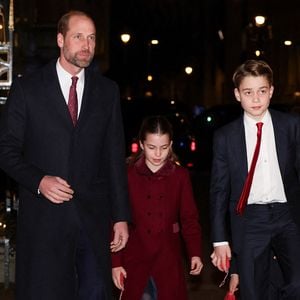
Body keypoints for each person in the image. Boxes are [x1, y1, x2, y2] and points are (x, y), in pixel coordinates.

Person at [0, 10, 130, 300]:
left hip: (93, 220)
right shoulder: (28, 88)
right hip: (45, 221)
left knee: (95, 292)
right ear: (60, 39)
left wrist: (120, 216)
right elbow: (6, 150)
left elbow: (113, 156)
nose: (87, 45)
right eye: (79, 37)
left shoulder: (107, 91)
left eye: (92, 38)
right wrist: (39, 181)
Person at [210, 59, 300, 299]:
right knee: (252, 291)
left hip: (287, 216)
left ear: (271, 91)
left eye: (262, 91)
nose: (256, 99)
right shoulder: (225, 137)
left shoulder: (291, 126)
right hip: (250, 221)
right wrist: (220, 239)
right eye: (248, 92)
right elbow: (219, 191)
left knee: (296, 284)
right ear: (238, 95)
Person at [111, 115, 203, 300]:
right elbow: (116, 220)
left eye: (164, 147)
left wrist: (195, 253)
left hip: (168, 258)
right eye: (152, 147)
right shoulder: (127, 176)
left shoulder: (180, 176)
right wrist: (116, 262)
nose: (158, 154)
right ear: (142, 145)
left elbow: (189, 218)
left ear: (171, 145)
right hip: (135, 257)